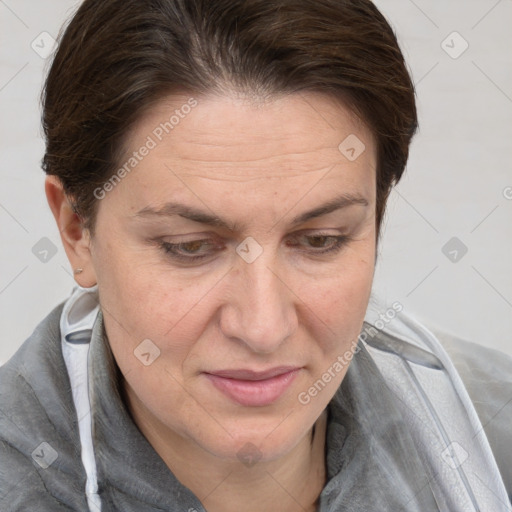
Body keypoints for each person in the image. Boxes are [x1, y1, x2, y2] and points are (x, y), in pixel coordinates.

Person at [0, 0, 511, 510]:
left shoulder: (495, 434)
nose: (263, 328)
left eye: (320, 239)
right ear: (75, 231)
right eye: (191, 247)